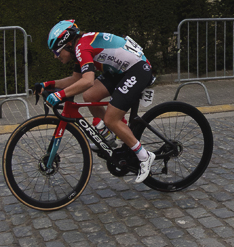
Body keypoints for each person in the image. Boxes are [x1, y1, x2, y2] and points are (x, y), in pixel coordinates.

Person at [34, 20, 156, 183]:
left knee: (111, 119)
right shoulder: (79, 47)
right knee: (90, 96)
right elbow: (76, 79)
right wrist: (49, 84)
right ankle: (111, 136)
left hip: (137, 70)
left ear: (67, 44)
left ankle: (145, 156)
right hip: (121, 71)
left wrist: (59, 95)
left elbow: (88, 81)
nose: (55, 56)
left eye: (56, 51)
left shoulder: (81, 47)